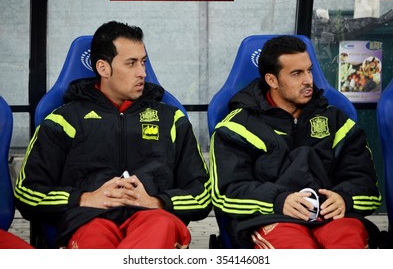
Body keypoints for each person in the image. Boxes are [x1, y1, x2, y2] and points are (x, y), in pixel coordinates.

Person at [13, 21, 211, 249]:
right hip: (89, 219)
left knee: (161, 226)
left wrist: (157, 202)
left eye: (143, 62)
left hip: (153, 218)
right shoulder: (63, 120)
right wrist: (83, 199)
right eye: (131, 63)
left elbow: (202, 194)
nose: (143, 73)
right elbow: (27, 193)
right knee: (93, 237)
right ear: (103, 68)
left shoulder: (171, 120)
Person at [209, 35, 382, 249]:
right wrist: (278, 200)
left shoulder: (338, 122)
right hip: (273, 219)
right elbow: (226, 193)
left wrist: (345, 198)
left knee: (350, 243)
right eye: (296, 74)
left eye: (309, 70)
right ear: (272, 80)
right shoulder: (237, 127)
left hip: (334, 219)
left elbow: (367, 185)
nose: (308, 80)